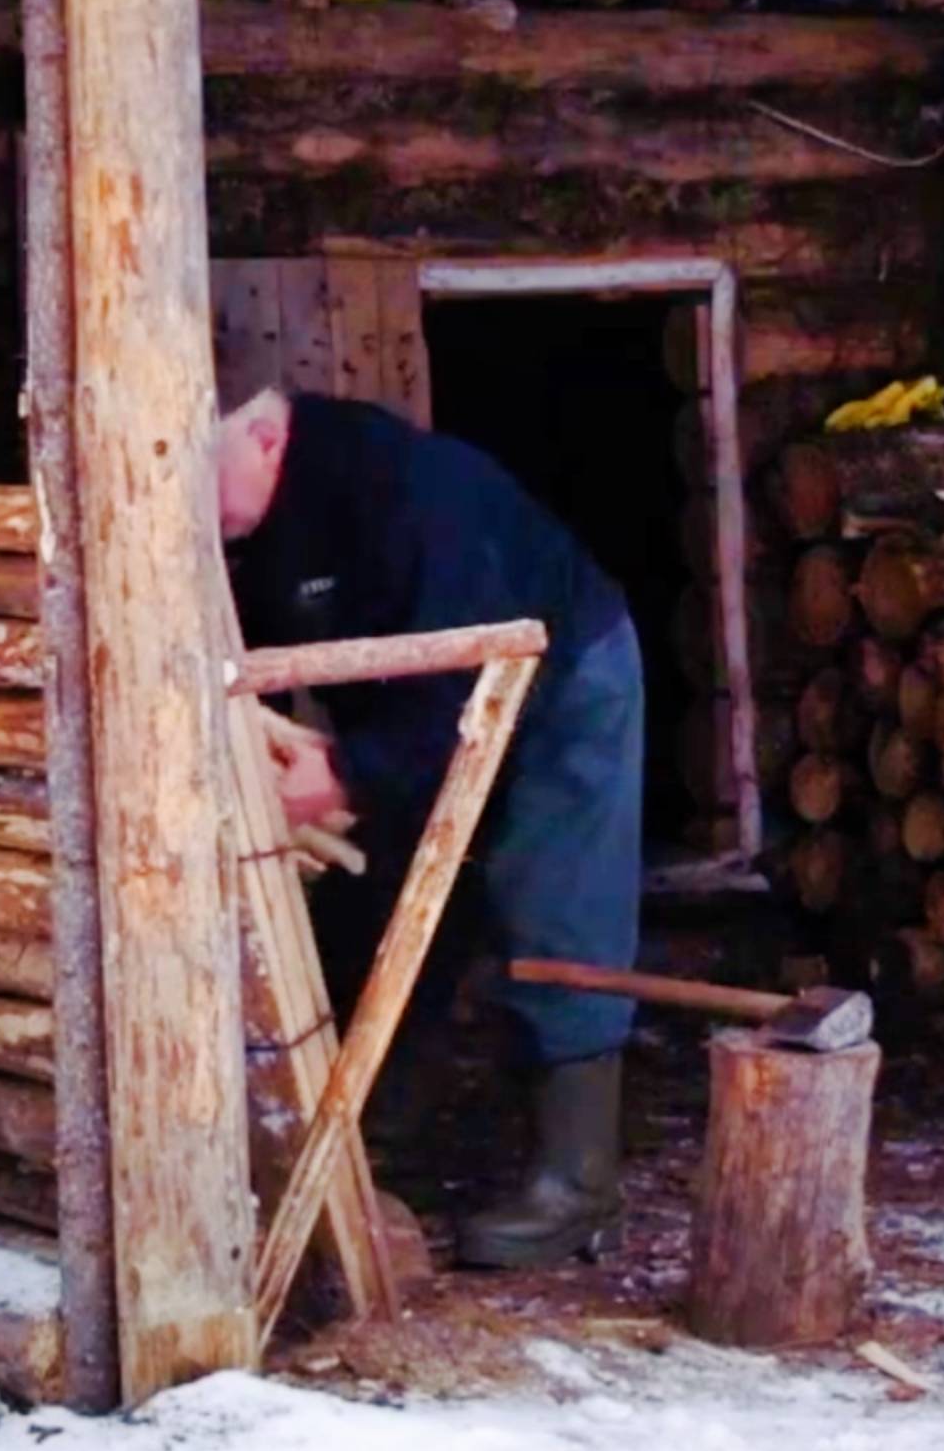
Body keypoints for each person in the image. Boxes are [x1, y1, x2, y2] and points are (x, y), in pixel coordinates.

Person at [216, 386, 646, 1268]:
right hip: (435, 709)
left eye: (201, 475)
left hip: (564, 683)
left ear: (264, 437)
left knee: (557, 901)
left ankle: (580, 1183)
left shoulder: (409, 492)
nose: (193, 506)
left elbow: (463, 674)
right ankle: (382, 1128)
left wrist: (345, 772)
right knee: (391, 887)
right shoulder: (257, 523)